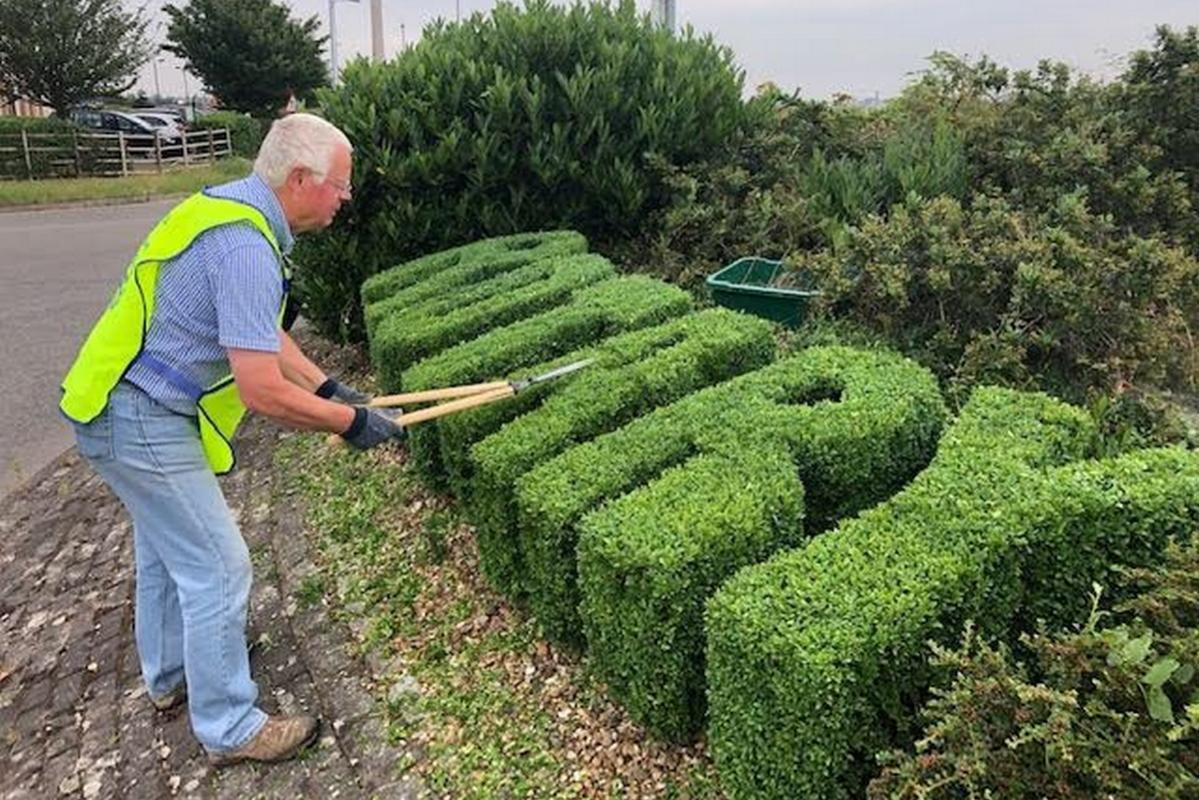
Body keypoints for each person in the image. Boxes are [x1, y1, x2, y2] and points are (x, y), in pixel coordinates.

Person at [59, 113, 403, 766]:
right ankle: (230, 727)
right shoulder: (245, 246)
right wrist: (351, 424)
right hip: (137, 417)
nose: (343, 200)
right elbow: (261, 391)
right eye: (340, 187)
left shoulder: (229, 212)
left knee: (167, 550)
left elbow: (259, 333)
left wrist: (330, 389)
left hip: (115, 400)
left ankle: (172, 676)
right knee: (218, 566)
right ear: (301, 179)